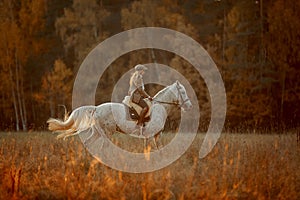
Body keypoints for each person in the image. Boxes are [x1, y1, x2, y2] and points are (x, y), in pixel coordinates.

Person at [128, 64, 152, 129]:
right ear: (140, 70)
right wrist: (148, 96)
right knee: (146, 107)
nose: (144, 72)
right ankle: (139, 123)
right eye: (143, 70)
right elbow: (140, 90)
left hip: (135, 95)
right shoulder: (138, 77)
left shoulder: (134, 76)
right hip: (136, 96)